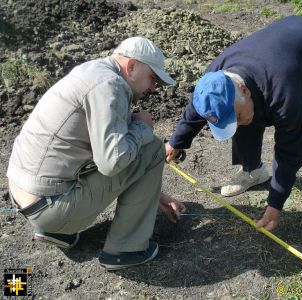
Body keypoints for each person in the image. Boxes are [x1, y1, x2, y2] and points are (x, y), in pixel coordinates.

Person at [7, 37, 186, 271]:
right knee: (151, 146)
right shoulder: (110, 86)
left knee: (129, 140)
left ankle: (56, 231)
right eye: (153, 78)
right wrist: (143, 127)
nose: (153, 88)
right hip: (49, 206)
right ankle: (125, 250)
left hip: (25, 195)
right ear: (131, 66)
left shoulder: (92, 71)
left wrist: (157, 196)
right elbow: (113, 163)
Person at [165, 16, 302, 231]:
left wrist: (275, 205)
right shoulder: (215, 78)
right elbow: (199, 108)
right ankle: (254, 170)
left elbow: (289, 152)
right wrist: (175, 142)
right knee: (246, 116)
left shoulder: (283, 92)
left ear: (245, 90)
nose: (234, 123)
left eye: (234, 116)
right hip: (281, 48)